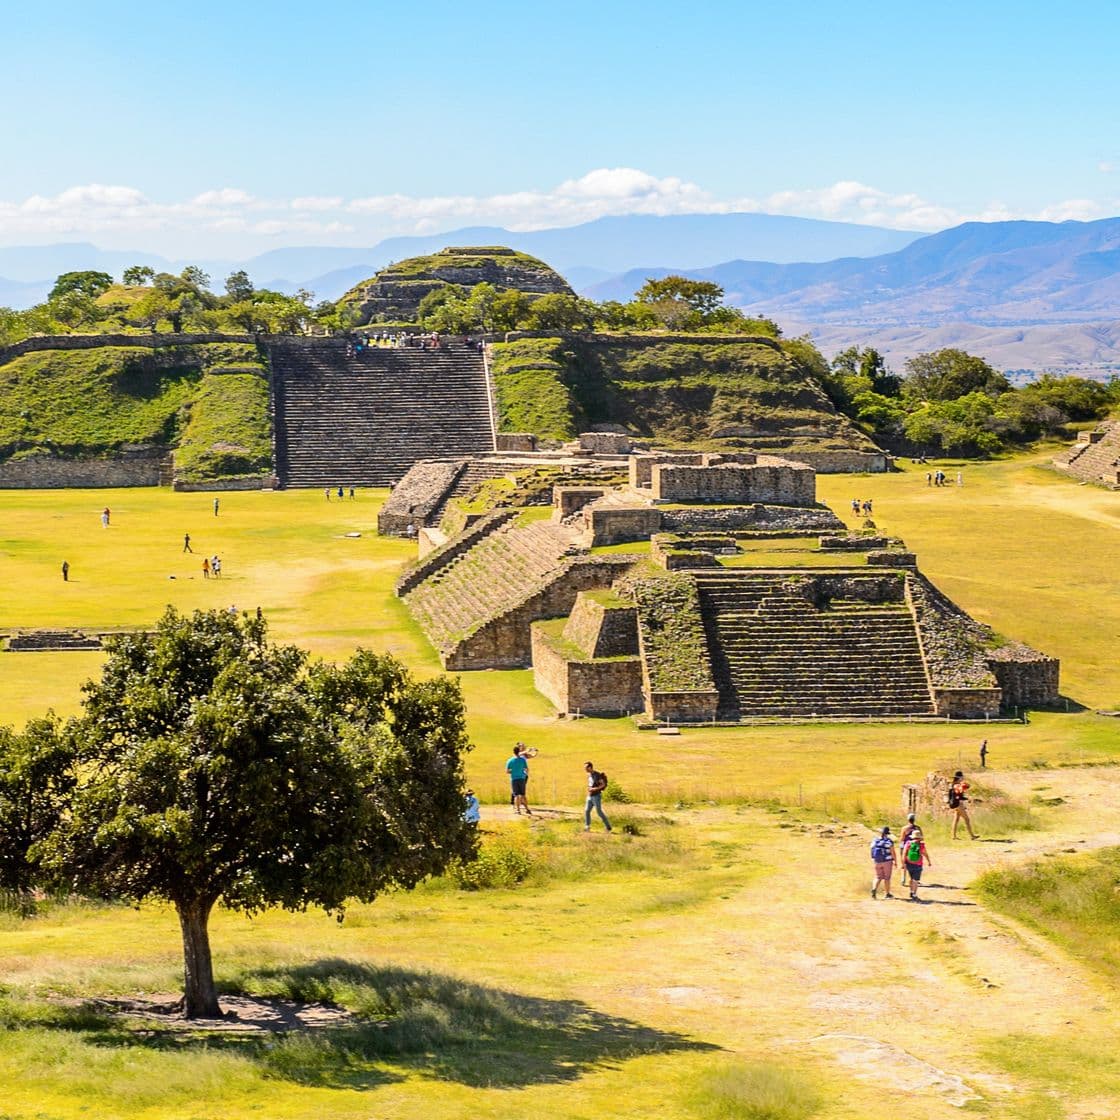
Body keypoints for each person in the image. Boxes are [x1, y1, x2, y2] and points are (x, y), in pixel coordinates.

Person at [506, 743, 537, 816]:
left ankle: (518, 810)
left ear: (513, 752)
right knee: (523, 794)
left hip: (514, 779)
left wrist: (513, 771)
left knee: (516, 795)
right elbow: (526, 769)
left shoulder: (510, 760)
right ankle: (527, 809)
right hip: (522, 778)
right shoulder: (523, 760)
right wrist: (523, 773)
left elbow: (507, 771)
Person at [901, 828, 931, 901]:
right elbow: (925, 854)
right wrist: (929, 861)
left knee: (911, 878)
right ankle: (914, 894)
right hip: (918, 864)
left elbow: (904, 853)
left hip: (909, 863)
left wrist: (903, 863)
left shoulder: (908, 843)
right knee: (915, 880)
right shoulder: (921, 845)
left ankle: (911, 891)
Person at [584, 761, 612, 833]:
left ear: (590, 767)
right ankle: (587, 827)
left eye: (586, 768)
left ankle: (608, 827)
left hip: (596, 796)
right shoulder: (589, 775)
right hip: (590, 796)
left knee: (599, 812)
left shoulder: (597, 775)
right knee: (587, 811)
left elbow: (603, 784)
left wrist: (595, 789)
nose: (585, 769)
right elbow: (590, 784)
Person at [949, 770, 979, 839]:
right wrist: (964, 786)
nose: (963, 778)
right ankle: (972, 836)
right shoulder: (956, 785)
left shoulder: (954, 784)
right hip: (958, 804)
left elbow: (960, 794)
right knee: (967, 819)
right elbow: (959, 791)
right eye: (962, 777)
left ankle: (953, 836)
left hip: (957, 804)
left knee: (956, 820)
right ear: (959, 778)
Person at [870, 826, 896, 898]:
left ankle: (874, 889)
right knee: (887, 878)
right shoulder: (889, 841)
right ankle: (887, 894)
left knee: (878, 877)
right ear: (887, 833)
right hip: (887, 861)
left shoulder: (875, 840)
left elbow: (872, 850)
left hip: (877, 861)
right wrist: (895, 861)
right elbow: (892, 852)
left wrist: (873, 858)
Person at [898, 812, 918, 885]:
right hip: (915, 847)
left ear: (908, 819)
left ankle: (903, 878)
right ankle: (913, 878)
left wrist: (901, 849)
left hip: (906, 847)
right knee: (914, 863)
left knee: (904, 863)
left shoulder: (904, 828)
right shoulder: (917, 828)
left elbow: (902, 839)